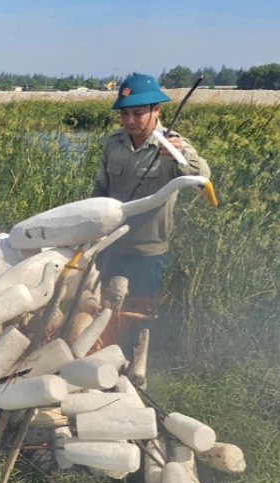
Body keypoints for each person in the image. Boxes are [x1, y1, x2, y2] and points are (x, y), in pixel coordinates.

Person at [92, 72, 211, 316]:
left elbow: (202, 176)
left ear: (156, 109)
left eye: (138, 113)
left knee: (139, 313)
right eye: (124, 113)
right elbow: (100, 188)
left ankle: (135, 350)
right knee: (104, 309)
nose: (129, 121)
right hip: (111, 244)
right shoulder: (113, 142)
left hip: (147, 251)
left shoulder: (173, 145)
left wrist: (183, 155)